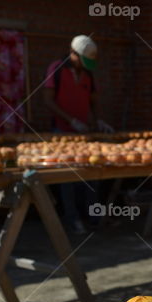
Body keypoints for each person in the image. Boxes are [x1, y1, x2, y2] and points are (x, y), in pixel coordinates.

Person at [44, 35, 113, 234]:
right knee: (68, 178)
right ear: (73, 53)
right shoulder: (56, 70)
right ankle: (72, 219)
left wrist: (99, 120)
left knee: (91, 175)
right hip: (62, 133)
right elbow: (48, 101)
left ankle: (93, 216)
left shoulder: (88, 75)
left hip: (84, 132)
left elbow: (94, 100)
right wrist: (70, 120)